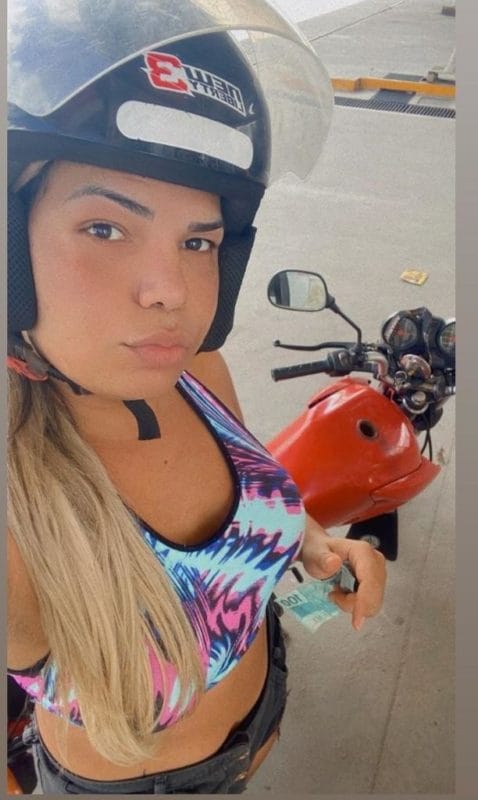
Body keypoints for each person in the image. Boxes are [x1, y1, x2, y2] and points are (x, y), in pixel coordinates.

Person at [7, 0, 386, 794]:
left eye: (199, 241)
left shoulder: (196, 373)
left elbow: (250, 500)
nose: (171, 291)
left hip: (259, 712)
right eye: (105, 228)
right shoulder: (15, 508)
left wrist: (314, 544)